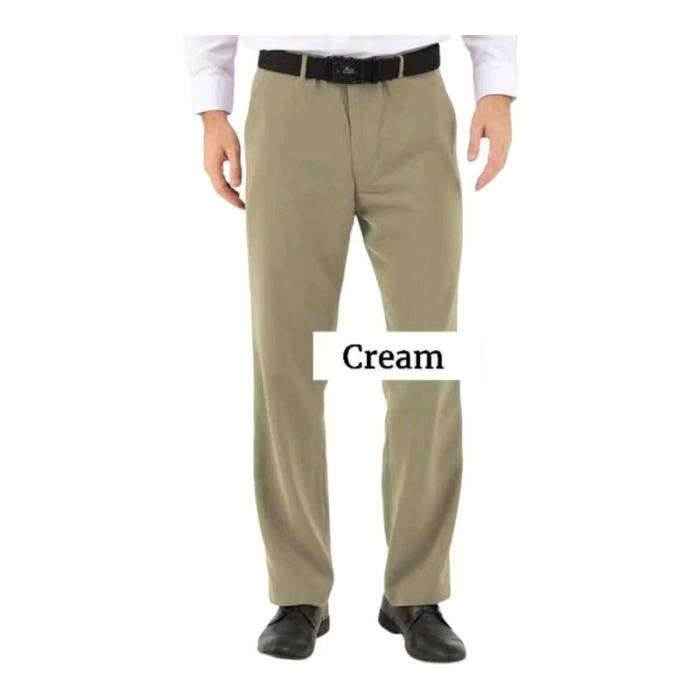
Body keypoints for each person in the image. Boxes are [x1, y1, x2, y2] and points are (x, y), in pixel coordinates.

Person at [184, 35, 517, 662]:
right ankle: (298, 593)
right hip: (289, 102)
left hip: (414, 101)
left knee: (427, 359)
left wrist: (495, 84)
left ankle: (417, 592)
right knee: (285, 358)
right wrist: (212, 108)